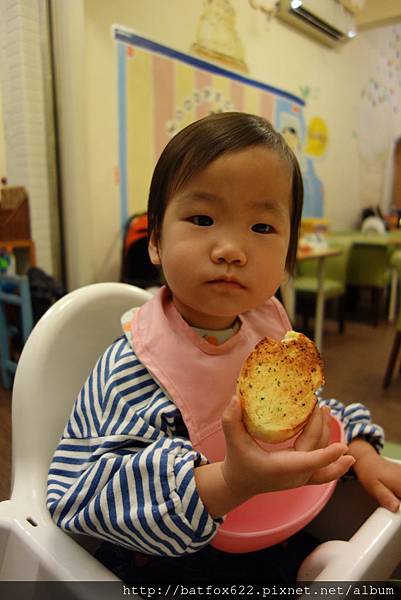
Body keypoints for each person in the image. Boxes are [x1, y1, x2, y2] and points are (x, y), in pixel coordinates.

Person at [47, 113, 401, 585]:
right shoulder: (132, 365)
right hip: (174, 562)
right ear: (155, 240)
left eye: (261, 227)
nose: (231, 248)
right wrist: (229, 483)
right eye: (202, 219)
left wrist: (361, 450)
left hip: (274, 523)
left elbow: (313, 413)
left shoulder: (269, 337)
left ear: (289, 253)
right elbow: (78, 494)